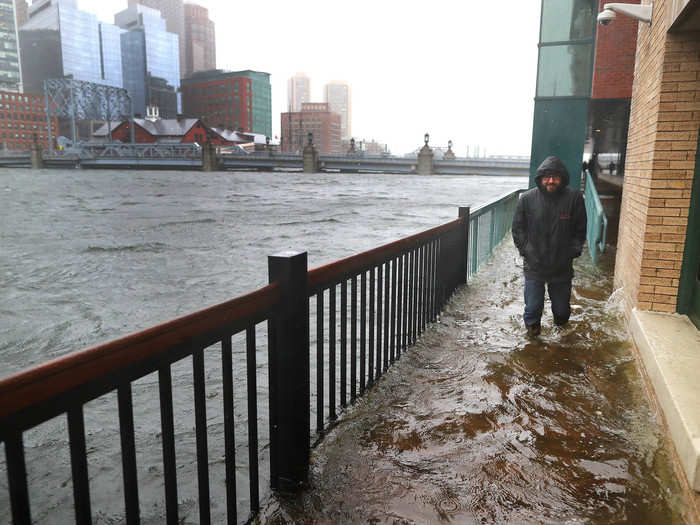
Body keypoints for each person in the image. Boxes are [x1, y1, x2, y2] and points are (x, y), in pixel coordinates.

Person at [512, 156, 587, 336]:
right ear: (540, 179)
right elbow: (517, 229)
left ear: (562, 178)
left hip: (561, 267)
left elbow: (580, 229)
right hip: (534, 265)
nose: (551, 181)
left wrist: (572, 252)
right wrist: (526, 250)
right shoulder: (527, 199)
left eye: (555, 177)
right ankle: (533, 342)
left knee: (561, 312)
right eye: (546, 177)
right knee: (532, 309)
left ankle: (561, 340)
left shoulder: (574, 198)